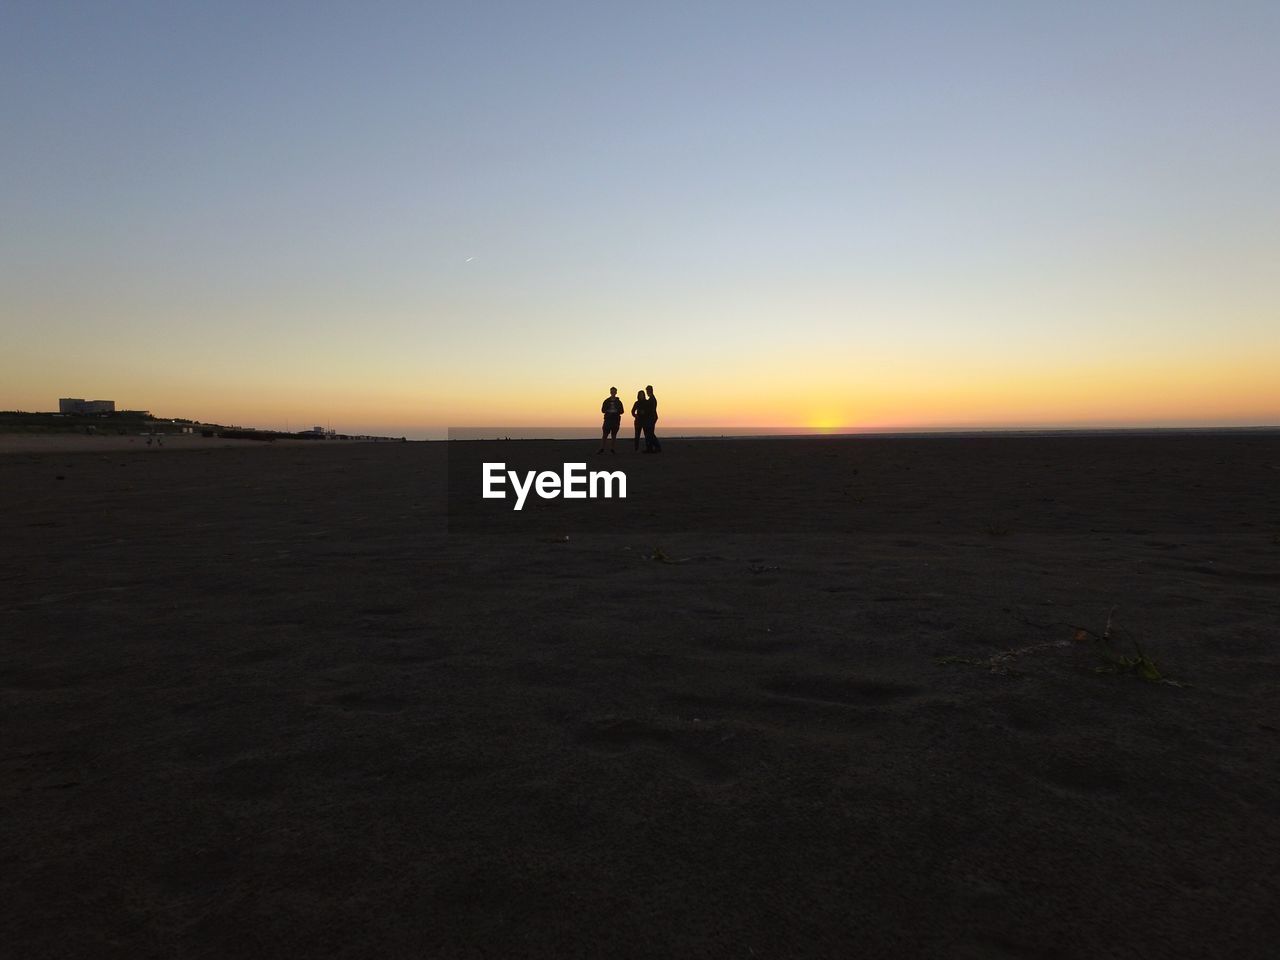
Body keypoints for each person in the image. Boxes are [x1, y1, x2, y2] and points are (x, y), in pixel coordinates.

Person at [598, 387, 624, 453]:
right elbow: (603, 410)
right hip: (608, 420)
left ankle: (612, 449)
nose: (613, 393)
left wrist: (616, 411)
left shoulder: (619, 402)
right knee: (605, 434)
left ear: (616, 392)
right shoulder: (606, 401)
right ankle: (602, 448)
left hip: (615, 420)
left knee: (614, 435)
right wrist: (608, 410)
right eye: (612, 392)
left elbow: (622, 411)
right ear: (610, 392)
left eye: (614, 391)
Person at [643, 384, 661, 453]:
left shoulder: (652, 399)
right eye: (647, 391)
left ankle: (656, 447)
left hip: (651, 418)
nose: (647, 392)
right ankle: (651, 448)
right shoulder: (651, 399)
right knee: (649, 433)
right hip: (651, 418)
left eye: (648, 391)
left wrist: (644, 412)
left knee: (650, 433)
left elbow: (651, 409)